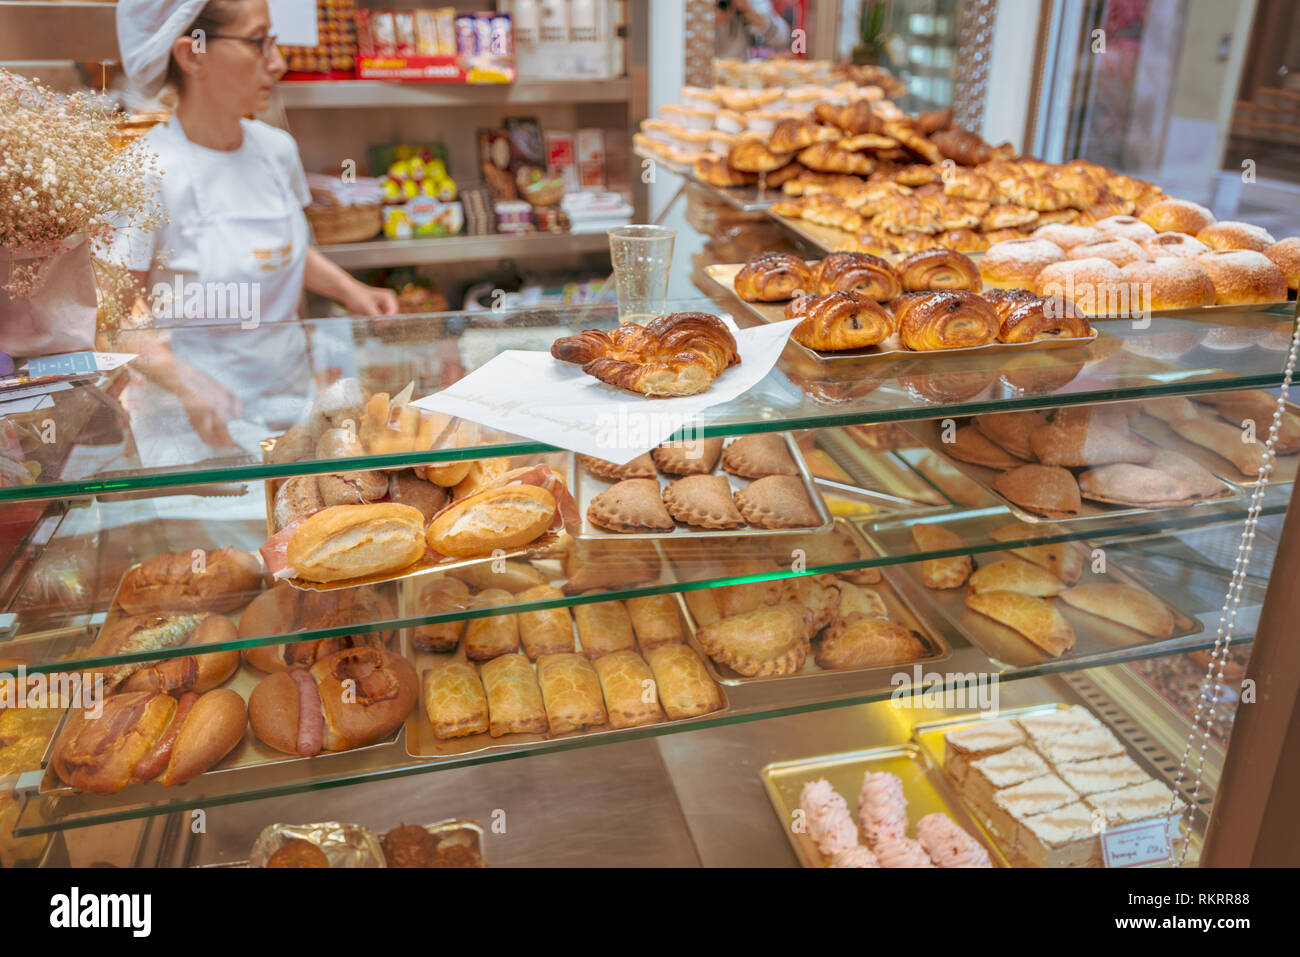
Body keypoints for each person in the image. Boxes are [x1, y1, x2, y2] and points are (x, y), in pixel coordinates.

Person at [112, 0, 398, 448]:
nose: (278, 63)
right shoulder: (146, 170)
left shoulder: (276, 150)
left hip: (292, 403)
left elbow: (279, 250)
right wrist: (187, 384)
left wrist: (352, 291)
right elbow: (112, 316)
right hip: (195, 429)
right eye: (258, 42)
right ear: (192, 55)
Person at [715, 0, 792, 60]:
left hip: (739, 72)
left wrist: (750, 12)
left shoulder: (754, 2)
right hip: (705, 71)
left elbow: (782, 39)